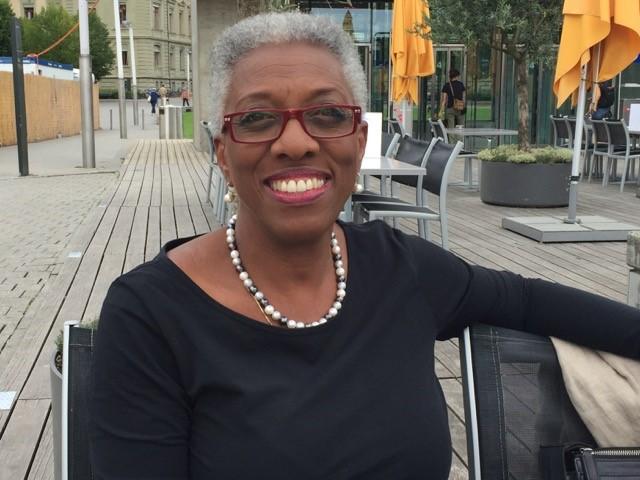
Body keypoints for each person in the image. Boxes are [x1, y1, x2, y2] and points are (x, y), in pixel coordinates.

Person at [90, 12, 640, 479]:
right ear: (221, 152)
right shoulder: (150, 316)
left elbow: (524, 300)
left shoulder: (403, 270)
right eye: (257, 119)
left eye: (328, 114)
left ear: (359, 138)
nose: (296, 142)